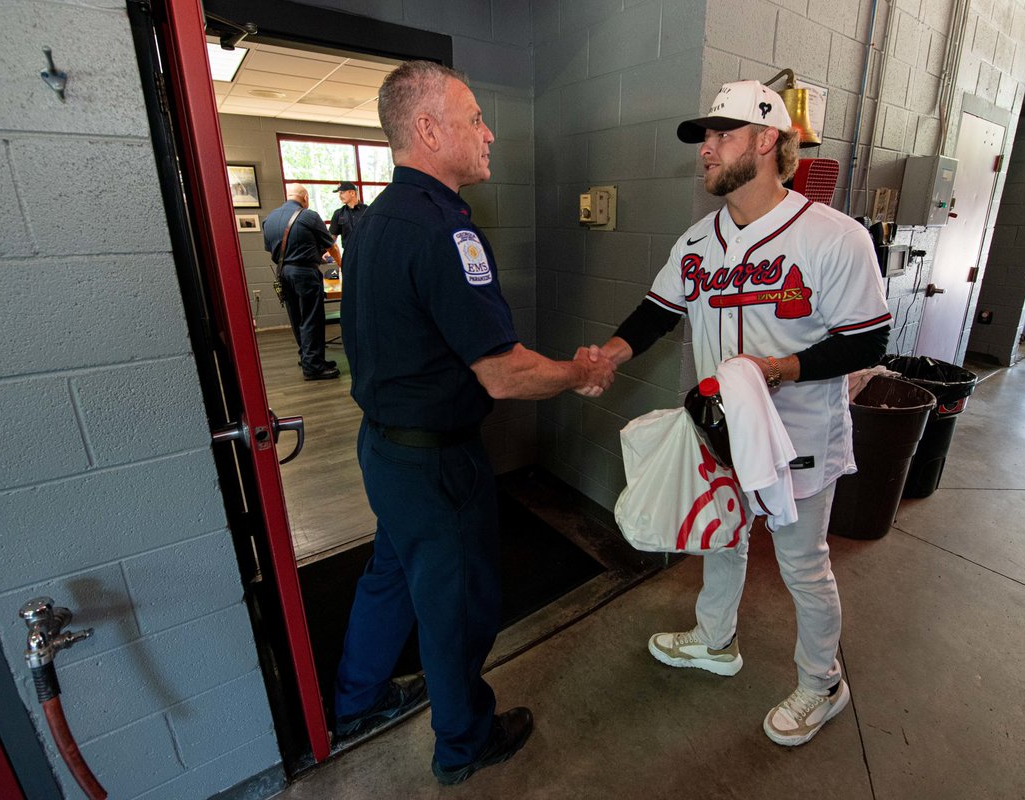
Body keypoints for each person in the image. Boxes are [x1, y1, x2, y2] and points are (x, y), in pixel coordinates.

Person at [581, 80, 891, 747]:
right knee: (723, 536)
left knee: (804, 565)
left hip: (799, 433)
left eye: (721, 136)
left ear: (766, 140)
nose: (707, 151)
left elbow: (867, 340)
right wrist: (608, 353)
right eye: (705, 139)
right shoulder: (699, 241)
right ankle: (716, 640)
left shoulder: (833, 238)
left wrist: (776, 371)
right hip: (719, 429)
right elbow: (658, 311)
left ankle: (822, 684)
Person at [333, 60, 616, 785]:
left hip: (383, 450)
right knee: (457, 606)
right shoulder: (444, 233)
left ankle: (355, 700)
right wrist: (579, 372)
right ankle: (464, 742)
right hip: (435, 464)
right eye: (474, 119)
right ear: (427, 129)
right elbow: (504, 372)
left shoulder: (371, 221)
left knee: (392, 574)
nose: (489, 134)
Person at [262, 184, 342, 380]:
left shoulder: (269, 218)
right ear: (305, 197)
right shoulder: (309, 216)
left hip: (283, 273)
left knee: (297, 318)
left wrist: (311, 255)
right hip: (305, 274)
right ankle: (313, 367)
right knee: (311, 319)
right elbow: (331, 247)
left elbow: (278, 249)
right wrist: (342, 265)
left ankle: (308, 357)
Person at [328, 180, 368, 251]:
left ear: (352, 193)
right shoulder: (338, 213)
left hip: (366, 252)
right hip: (348, 254)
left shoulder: (368, 211)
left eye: (342, 193)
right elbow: (331, 238)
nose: (339, 197)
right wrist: (326, 252)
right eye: (339, 194)